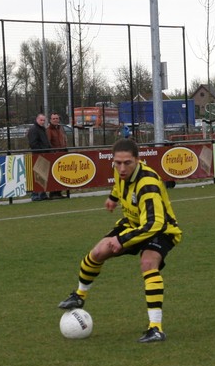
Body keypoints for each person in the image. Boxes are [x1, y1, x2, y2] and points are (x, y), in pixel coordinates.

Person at [58, 138, 183, 343]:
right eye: (118, 163)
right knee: (97, 253)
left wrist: (122, 240)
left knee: (148, 263)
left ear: (138, 160)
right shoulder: (120, 172)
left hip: (162, 230)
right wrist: (113, 198)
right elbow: (119, 185)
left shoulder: (148, 184)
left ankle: (156, 328)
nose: (122, 168)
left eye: (127, 163)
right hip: (133, 223)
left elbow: (155, 224)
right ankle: (79, 295)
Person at [27, 113, 52, 201]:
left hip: (43, 154)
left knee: (42, 176)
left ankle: (42, 194)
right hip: (38, 155)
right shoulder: (34, 129)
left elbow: (45, 141)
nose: (42, 122)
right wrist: (42, 150)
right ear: (37, 119)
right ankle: (36, 195)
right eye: (41, 120)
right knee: (38, 175)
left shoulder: (42, 129)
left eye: (44, 120)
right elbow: (33, 144)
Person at [47, 113, 69, 198]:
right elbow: (48, 143)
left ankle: (59, 192)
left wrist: (65, 148)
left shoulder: (60, 128)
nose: (55, 120)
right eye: (54, 119)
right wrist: (53, 152)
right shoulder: (49, 130)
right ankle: (53, 193)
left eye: (57, 118)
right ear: (50, 120)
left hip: (61, 154)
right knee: (54, 174)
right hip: (54, 155)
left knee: (61, 174)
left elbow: (64, 139)